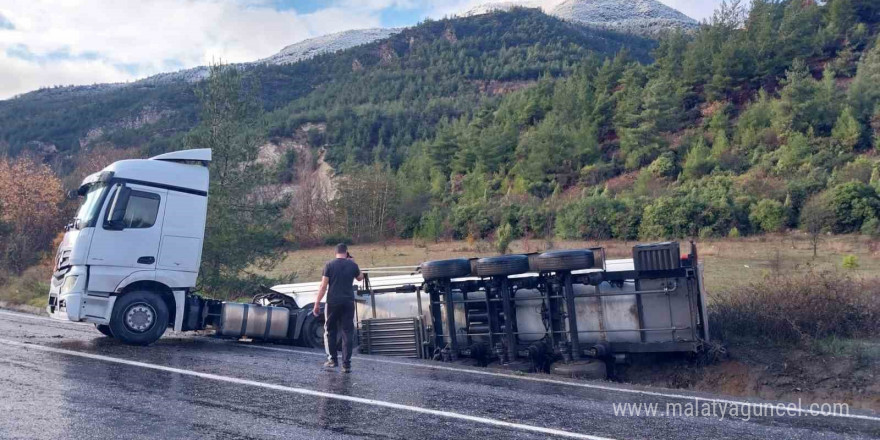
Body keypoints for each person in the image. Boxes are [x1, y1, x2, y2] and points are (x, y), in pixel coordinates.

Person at [313, 243, 363, 373]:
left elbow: (323, 286)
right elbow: (360, 278)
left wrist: (317, 303)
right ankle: (346, 365)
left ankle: (332, 360)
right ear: (346, 252)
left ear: (336, 253)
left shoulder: (329, 265)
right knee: (347, 332)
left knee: (330, 330)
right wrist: (354, 262)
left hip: (332, 302)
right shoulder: (352, 265)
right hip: (348, 302)